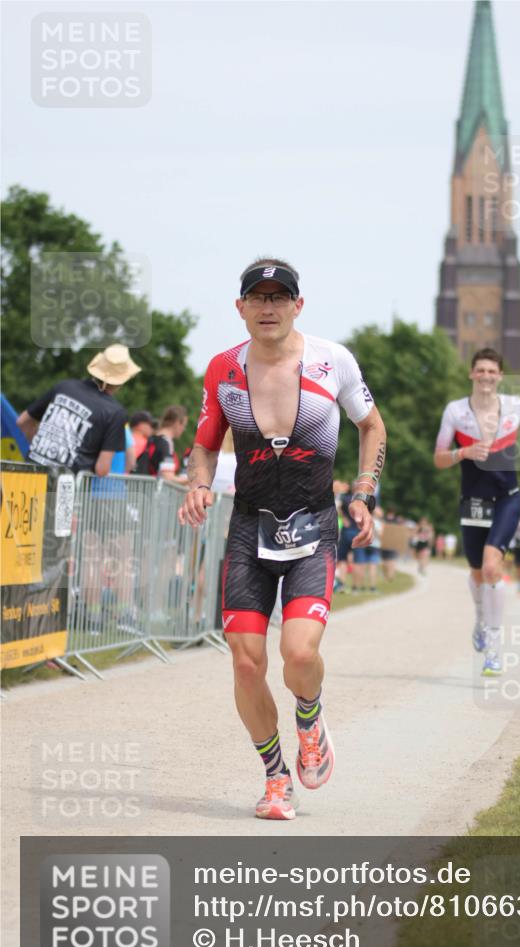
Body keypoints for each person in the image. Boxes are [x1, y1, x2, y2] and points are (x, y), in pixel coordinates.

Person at [178, 257, 386, 821]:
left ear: (298, 305)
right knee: (246, 663)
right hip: (249, 526)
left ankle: (310, 716)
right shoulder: (223, 368)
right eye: (257, 298)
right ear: (240, 307)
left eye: (279, 297)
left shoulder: (331, 360)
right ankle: (275, 778)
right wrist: (198, 483)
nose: (268, 308)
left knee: (298, 654)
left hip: (313, 525)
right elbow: (203, 443)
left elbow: (372, 425)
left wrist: (364, 489)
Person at [433, 347, 520, 676]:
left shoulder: (516, 406)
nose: (486, 376)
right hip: (473, 501)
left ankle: (494, 650)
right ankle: (482, 619)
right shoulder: (455, 412)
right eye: (480, 370)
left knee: (491, 566)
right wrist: (465, 451)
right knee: (476, 573)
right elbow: (439, 458)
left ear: (499, 376)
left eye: (491, 371)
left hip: (508, 498)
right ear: (472, 374)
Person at [16, 344, 140, 474]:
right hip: (64, 487)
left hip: (29, 475)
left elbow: (23, 422)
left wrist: (41, 449)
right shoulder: (116, 413)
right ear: (122, 380)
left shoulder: (63, 387)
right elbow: (101, 469)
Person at [135, 405, 188, 482]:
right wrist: (190, 480)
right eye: (183, 425)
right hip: (155, 491)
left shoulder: (153, 438)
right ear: (177, 422)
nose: (184, 429)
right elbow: (168, 477)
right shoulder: (165, 443)